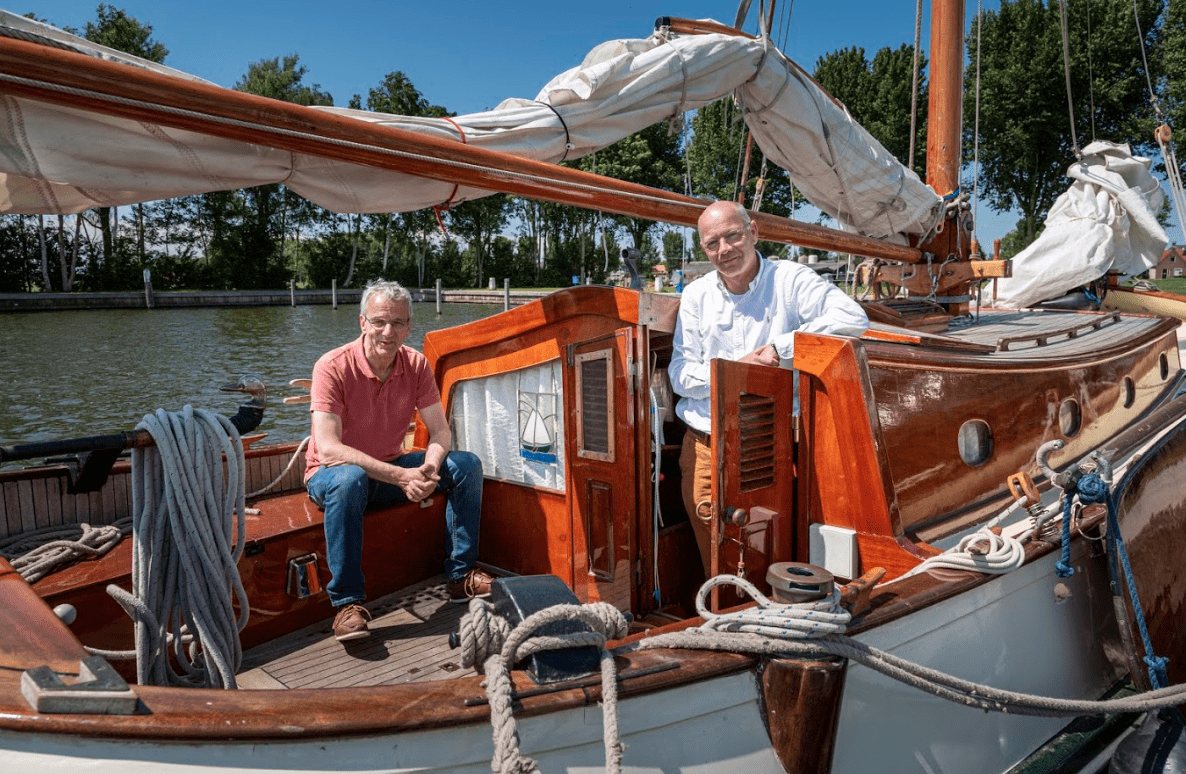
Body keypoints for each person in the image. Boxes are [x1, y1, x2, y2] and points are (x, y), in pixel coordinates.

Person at [667, 201, 869, 576]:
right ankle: (723, 612)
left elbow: (853, 317)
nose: (724, 250)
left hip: (775, 446)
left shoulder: (790, 281)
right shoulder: (696, 296)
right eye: (713, 243)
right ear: (704, 249)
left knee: (775, 541)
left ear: (754, 232)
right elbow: (679, 375)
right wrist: (734, 372)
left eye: (733, 236)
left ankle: (771, 613)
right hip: (707, 445)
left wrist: (782, 347)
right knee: (716, 553)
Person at [305, 279, 491, 642]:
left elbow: (439, 432)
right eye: (379, 321)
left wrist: (429, 469)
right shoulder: (331, 366)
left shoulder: (416, 364)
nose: (388, 331)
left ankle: (460, 576)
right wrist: (402, 477)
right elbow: (328, 448)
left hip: (390, 470)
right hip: (330, 477)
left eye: (399, 323)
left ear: (409, 326)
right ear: (362, 322)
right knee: (349, 479)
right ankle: (347, 604)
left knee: (466, 465)